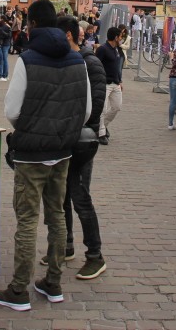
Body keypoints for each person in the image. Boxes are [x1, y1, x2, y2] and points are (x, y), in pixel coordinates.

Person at [0, 0, 91, 312]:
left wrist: (31, 128)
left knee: (27, 219)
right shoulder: (78, 60)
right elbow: (85, 110)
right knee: (58, 216)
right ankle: (53, 282)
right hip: (62, 152)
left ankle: (19, 289)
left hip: (31, 155)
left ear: (32, 24)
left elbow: (12, 110)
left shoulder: (28, 59)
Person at [41, 16, 108, 280]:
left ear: (67, 36)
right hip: (62, 139)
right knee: (61, 194)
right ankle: (65, 246)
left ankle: (95, 256)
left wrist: (73, 129)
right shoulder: (64, 61)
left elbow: (96, 106)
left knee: (80, 196)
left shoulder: (91, 63)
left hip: (81, 141)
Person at [95, 27, 123, 145]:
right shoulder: (102, 49)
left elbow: (117, 66)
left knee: (117, 107)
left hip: (116, 83)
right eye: (120, 36)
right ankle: (101, 133)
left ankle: (103, 126)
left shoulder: (116, 49)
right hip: (105, 83)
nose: (121, 39)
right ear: (115, 37)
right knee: (103, 109)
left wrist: (120, 81)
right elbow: (96, 65)